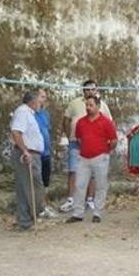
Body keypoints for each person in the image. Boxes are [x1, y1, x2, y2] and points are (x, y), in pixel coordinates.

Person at [60, 80, 112, 213]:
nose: (90, 91)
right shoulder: (74, 103)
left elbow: (109, 124)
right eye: (87, 89)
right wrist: (69, 135)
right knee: (73, 171)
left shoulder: (102, 105)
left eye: (92, 89)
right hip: (76, 143)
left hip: (95, 146)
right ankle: (71, 200)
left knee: (93, 174)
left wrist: (106, 144)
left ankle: (90, 200)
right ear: (83, 90)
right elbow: (66, 120)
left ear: (96, 90)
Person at [66, 95, 118, 224]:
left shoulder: (106, 122)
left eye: (91, 105)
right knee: (79, 185)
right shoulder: (81, 122)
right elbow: (78, 138)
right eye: (87, 105)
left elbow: (114, 140)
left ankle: (97, 213)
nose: (88, 108)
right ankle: (78, 213)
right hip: (84, 157)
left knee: (100, 185)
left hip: (101, 157)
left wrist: (105, 151)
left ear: (98, 106)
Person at [10, 90, 49, 229]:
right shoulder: (23, 112)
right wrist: (25, 151)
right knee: (32, 186)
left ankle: (26, 220)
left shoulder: (29, 113)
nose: (41, 103)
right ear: (32, 101)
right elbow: (16, 132)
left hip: (32, 153)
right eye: (39, 101)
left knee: (26, 187)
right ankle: (30, 217)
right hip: (27, 154)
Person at [32, 89, 57, 217]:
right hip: (35, 153)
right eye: (42, 96)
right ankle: (37, 208)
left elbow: (47, 130)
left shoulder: (45, 114)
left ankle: (43, 205)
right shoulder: (29, 113)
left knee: (45, 181)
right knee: (36, 181)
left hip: (46, 152)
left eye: (45, 97)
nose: (44, 99)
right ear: (35, 97)